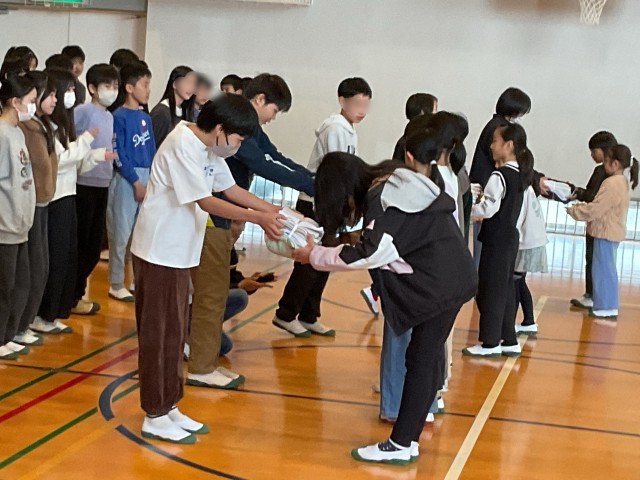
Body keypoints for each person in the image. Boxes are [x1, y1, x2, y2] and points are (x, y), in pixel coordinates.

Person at [292, 152, 477, 465]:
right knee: (423, 358)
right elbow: (394, 234)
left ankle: (401, 442)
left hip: (441, 284)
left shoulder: (381, 196)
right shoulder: (393, 179)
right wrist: (344, 240)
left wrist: (314, 256)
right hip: (452, 276)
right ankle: (408, 440)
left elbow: (373, 251)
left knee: (420, 360)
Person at [129, 94, 283, 444]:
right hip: (158, 252)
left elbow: (230, 189)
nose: (237, 145)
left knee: (175, 333)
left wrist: (273, 211)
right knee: (158, 336)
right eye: (237, 138)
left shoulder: (210, 147)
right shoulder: (182, 143)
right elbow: (206, 201)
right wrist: (257, 218)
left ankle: (169, 405)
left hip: (180, 253)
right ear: (220, 128)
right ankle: (155, 413)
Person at [187, 73, 313, 389]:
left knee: (219, 291)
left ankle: (202, 357)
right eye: (274, 110)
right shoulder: (196, 142)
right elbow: (218, 194)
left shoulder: (225, 146)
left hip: (221, 218)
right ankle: (198, 361)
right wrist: (261, 216)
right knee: (209, 292)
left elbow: (240, 183)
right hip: (208, 221)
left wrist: (275, 210)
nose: (272, 119)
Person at [275, 77, 372, 337]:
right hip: (317, 202)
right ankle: (286, 313)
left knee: (324, 261)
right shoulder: (336, 128)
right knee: (310, 260)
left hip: (331, 203)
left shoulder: (348, 129)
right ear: (342, 101)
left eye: (365, 105)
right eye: (357, 104)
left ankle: (309, 314)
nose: (361, 111)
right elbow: (339, 169)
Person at [30, 68, 107, 335]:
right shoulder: (43, 127)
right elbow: (58, 161)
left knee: (67, 258)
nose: (69, 96)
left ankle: (54, 313)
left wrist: (95, 155)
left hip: (68, 195)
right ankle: (42, 314)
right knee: (54, 258)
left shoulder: (61, 126)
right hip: (54, 199)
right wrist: (85, 141)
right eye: (68, 91)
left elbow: (72, 166)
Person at [463, 123, 533, 357]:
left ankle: (490, 342)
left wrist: (467, 210)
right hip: (510, 238)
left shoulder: (499, 175)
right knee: (505, 288)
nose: (491, 146)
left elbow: (488, 208)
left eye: (495, 141)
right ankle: (508, 339)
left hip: (496, 239)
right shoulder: (520, 175)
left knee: (490, 290)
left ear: (508, 145)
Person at [567, 145, 638, 320]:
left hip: (605, 232)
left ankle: (606, 306)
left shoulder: (611, 183)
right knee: (606, 269)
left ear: (615, 164)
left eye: (606, 161)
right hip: (611, 231)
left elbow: (596, 208)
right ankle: (606, 304)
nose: (603, 165)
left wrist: (575, 210)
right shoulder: (621, 181)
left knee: (603, 271)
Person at [15, 71, 58, 347]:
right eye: (47, 95)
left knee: (40, 267)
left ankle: (24, 322)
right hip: (28, 206)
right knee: (27, 270)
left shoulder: (41, 125)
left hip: (43, 203)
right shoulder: (23, 129)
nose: (54, 100)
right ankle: (16, 327)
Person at [106, 61, 156, 302]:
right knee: (120, 233)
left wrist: (150, 180)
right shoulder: (119, 116)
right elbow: (119, 153)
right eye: (144, 85)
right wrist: (136, 182)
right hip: (127, 179)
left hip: (146, 177)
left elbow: (152, 150)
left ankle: (138, 280)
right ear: (129, 87)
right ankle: (116, 282)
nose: (148, 90)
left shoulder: (146, 117)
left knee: (141, 234)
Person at [72, 64, 119, 313]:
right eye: (106, 86)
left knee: (94, 245)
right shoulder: (83, 111)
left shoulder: (109, 116)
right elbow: (72, 141)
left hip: (103, 182)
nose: (112, 91)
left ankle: (76, 293)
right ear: (92, 88)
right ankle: (73, 295)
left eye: (115, 86)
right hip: (83, 183)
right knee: (81, 243)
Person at [0, 75, 37, 359]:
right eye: (31, 101)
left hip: (22, 224)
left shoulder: (18, 133)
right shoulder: (1, 134)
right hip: (5, 224)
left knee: (21, 283)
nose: (32, 107)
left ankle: (8, 334)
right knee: (4, 286)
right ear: (15, 102)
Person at [569, 131, 618, 309]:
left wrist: (578, 195)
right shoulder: (609, 173)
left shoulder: (606, 173)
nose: (592, 155)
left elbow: (593, 197)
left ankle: (595, 296)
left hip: (600, 225)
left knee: (596, 260)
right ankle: (596, 295)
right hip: (601, 224)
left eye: (594, 151)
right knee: (597, 260)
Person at [514, 183, 548, 334]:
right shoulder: (528, 189)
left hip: (525, 242)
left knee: (516, 281)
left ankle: (521, 322)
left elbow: (517, 218)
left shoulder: (522, 190)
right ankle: (528, 320)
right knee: (519, 281)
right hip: (532, 240)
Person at [150, 66, 196, 147]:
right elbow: (152, 145)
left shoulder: (185, 111)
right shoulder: (162, 112)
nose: (191, 88)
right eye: (187, 82)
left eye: (193, 84)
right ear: (174, 84)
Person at [391, 92, 438, 161]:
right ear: (422, 112)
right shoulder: (417, 142)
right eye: (435, 110)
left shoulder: (405, 139)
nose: (437, 115)